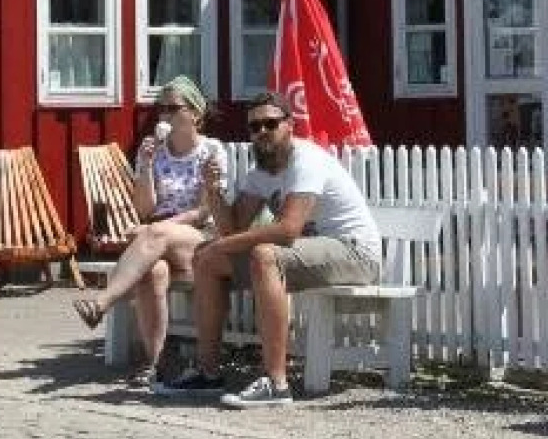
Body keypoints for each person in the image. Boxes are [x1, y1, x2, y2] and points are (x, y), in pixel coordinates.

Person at [157, 91, 382, 408]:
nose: (261, 132)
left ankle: (276, 383)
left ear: (289, 125)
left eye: (270, 124)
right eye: (254, 127)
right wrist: (213, 191)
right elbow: (232, 228)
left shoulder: (307, 160)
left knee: (264, 254)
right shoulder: (260, 173)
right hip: (312, 252)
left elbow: (287, 230)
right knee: (206, 259)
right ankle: (208, 373)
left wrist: (224, 243)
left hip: (355, 253)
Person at [71, 76, 229, 386]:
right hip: (158, 241)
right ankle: (155, 363)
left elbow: (204, 211)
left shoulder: (211, 150)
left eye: (173, 108)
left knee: (154, 235)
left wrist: (158, 228)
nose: (165, 116)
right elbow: (145, 209)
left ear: (195, 114)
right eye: (161, 109)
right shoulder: (155, 152)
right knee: (153, 271)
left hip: (199, 240)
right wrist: (144, 166)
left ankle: (101, 303)